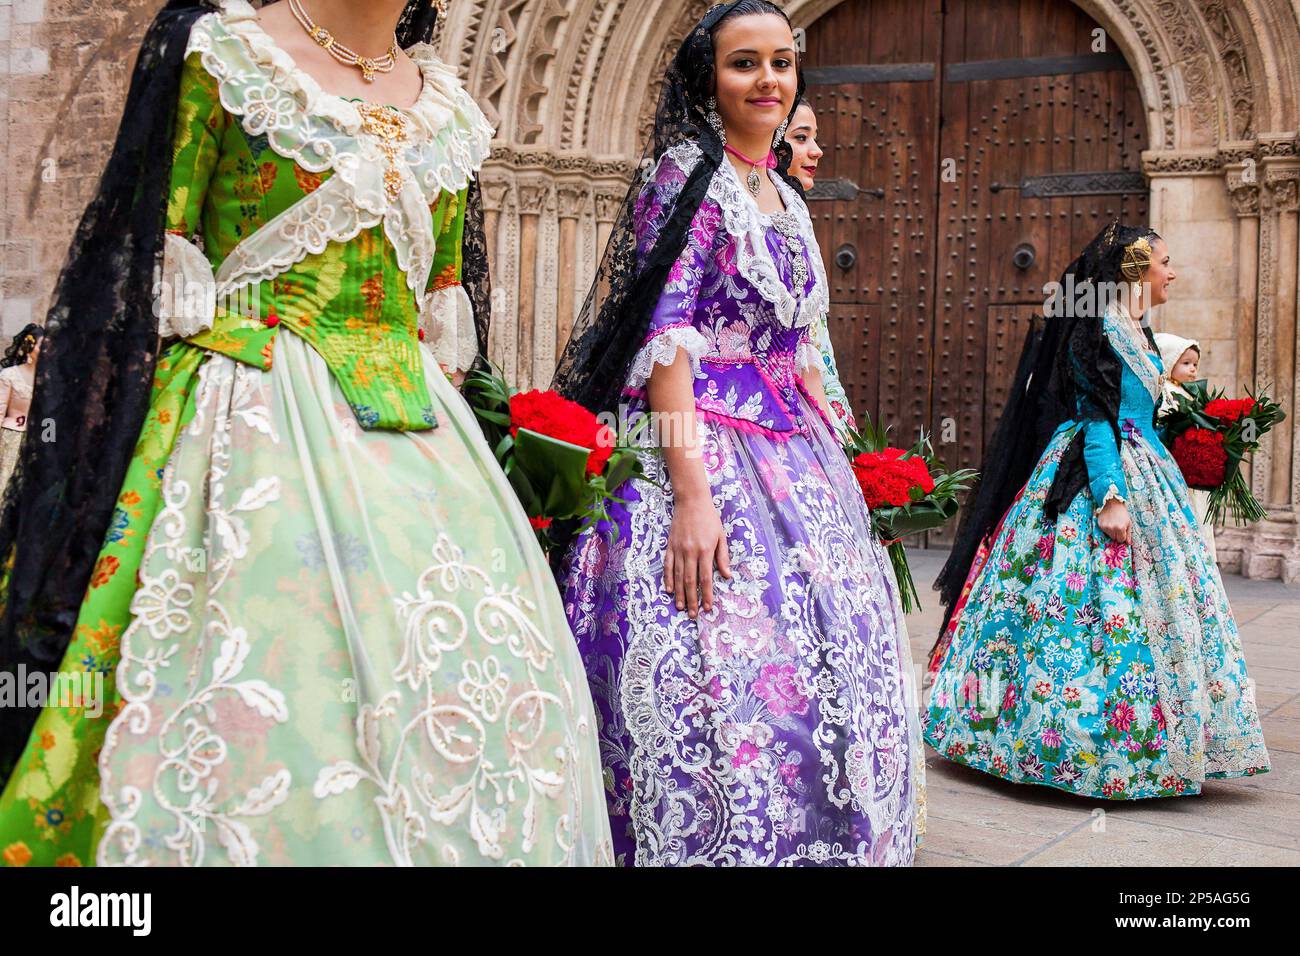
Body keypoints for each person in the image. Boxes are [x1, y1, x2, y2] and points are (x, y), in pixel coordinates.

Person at [0, 0, 611, 867]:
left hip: (427, 453)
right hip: (251, 414)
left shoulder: (447, 106)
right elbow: (151, 257)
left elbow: (439, 303)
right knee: (275, 684)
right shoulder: (226, 56)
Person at [551, 0, 923, 866]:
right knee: (717, 660)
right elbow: (667, 346)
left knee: (830, 651)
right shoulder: (684, 179)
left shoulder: (784, 197)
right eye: (744, 64)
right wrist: (691, 495)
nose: (769, 81)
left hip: (795, 454)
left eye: (783, 62)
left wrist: (841, 449)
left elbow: (793, 347)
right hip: (699, 447)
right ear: (706, 79)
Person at [925, 223, 1269, 799]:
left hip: (1147, 468)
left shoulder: (1141, 331)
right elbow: (1095, 418)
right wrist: (1110, 497)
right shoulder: (1100, 329)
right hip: (1098, 474)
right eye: (1164, 261)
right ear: (1134, 268)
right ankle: (1068, 742)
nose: (1173, 272)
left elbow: (1142, 414)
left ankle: (1169, 735)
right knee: (1083, 606)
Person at [784, 99, 855, 438]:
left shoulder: (793, 210)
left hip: (815, 390)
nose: (817, 151)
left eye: (814, 138)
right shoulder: (755, 219)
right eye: (801, 138)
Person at [1154, 332, 1216, 559]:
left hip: (1189, 471)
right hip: (1172, 466)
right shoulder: (1164, 391)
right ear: (1169, 360)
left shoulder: (1190, 393)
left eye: (1195, 365)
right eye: (1186, 363)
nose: (1193, 370)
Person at [0, 326, 42, 496]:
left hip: (35, 442)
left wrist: (48, 443)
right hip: (10, 438)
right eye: (42, 345)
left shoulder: (49, 381)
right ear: (29, 348)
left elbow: (49, 417)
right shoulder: (10, 375)